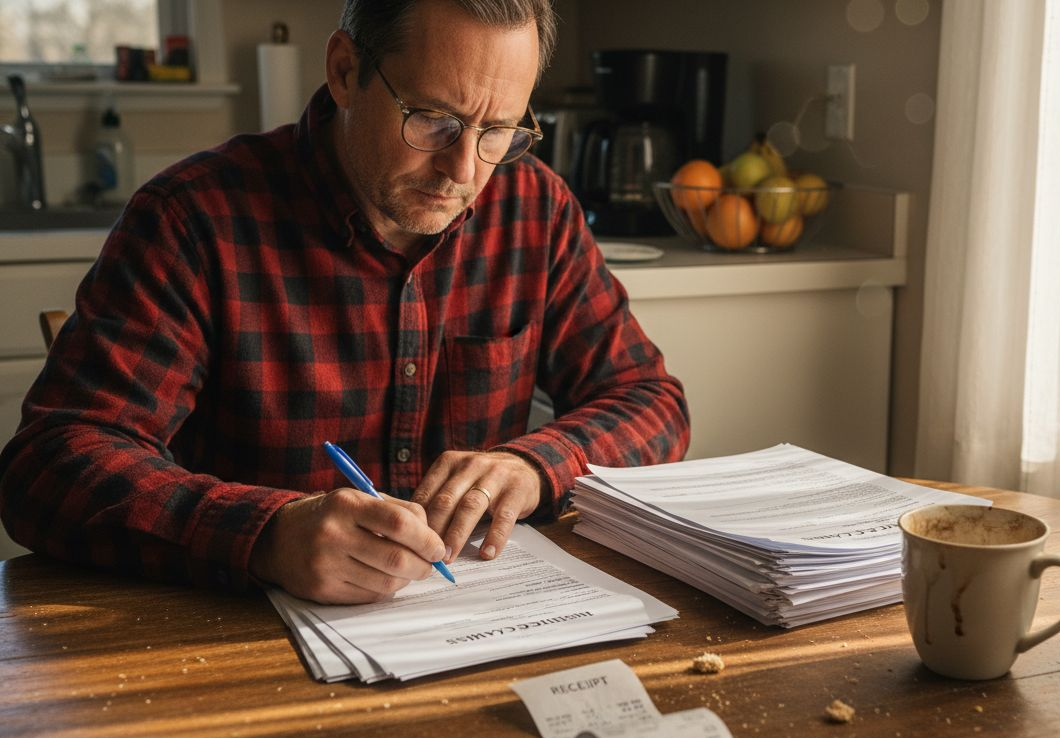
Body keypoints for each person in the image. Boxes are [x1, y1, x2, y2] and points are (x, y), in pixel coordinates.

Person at [0, 0, 689, 605]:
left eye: (498, 132)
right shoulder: (193, 219)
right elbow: (48, 466)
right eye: (435, 121)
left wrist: (536, 465)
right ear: (344, 71)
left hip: (475, 638)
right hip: (238, 651)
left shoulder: (534, 208)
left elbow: (652, 402)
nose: (464, 171)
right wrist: (265, 535)